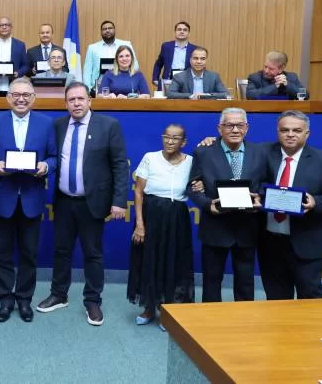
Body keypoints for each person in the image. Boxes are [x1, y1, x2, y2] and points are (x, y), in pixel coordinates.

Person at [36, 82, 128, 326]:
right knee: (61, 251)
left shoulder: (109, 125)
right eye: (71, 100)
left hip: (93, 202)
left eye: (80, 99)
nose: (76, 104)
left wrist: (119, 201)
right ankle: (59, 294)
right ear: (65, 103)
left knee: (93, 253)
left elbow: (120, 165)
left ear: (90, 101)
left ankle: (92, 300)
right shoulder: (57, 125)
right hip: (64, 201)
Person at [0, 78, 57, 323]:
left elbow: (55, 157)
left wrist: (46, 166)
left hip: (32, 198)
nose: (21, 99)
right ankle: (5, 299)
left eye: (26, 94)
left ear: (34, 98)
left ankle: (24, 299)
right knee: (2, 253)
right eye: (16, 94)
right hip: (3, 196)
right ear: (8, 97)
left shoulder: (47, 124)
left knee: (29, 253)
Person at [259, 110, 322, 300]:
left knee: (310, 298)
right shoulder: (261, 152)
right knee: (275, 300)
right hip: (270, 242)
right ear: (277, 131)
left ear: (307, 133)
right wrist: (211, 140)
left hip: (306, 243)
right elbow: (235, 148)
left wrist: (317, 202)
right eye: (285, 130)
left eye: (297, 130)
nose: (290, 134)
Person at [187, 108, 266, 303]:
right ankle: (210, 326)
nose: (235, 129)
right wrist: (207, 205)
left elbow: (267, 183)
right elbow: (192, 187)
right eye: (229, 125)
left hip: (248, 227)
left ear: (247, 128)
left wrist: (260, 197)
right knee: (212, 280)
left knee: (245, 281)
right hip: (215, 226)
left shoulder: (261, 152)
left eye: (240, 125)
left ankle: (243, 323)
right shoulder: (203, 152)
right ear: (219, 128)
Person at [127, 124, 195, 329]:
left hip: (177, 217)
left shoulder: (192, 161)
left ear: (184, 142)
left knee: (174, 262)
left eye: (175, 138)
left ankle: (168, 310)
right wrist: (140, 224)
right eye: (166, 137)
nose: (170, 142)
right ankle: (149, 308)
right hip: (151, 214)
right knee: (149, 261)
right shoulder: (150, 157)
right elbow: (139, 191)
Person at [83, 20, 137, 91]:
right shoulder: (92, 48)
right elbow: (87, 70)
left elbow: (135, 65)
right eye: (104, 29)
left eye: (110, 28)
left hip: (122, 84)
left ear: (114, 30)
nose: (107, 30)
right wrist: (88, 90)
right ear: (101, 32)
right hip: (98, 86)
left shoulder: (126, 44)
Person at [151, 21, 197, 86]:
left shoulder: (194, 49)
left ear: (189, 34)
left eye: (185, 30)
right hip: (168, 82)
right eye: (179, 29)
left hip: (187, 83)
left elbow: (199, 67)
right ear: (175, 33)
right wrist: (155, 79)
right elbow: (158, 64)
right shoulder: (166, 46)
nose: (182, 32)